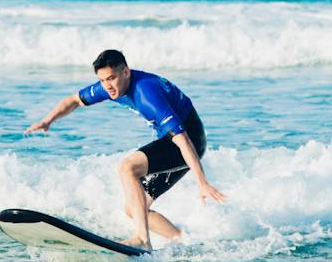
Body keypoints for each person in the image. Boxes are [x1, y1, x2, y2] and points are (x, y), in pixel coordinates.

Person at [24, 50, 225, 248]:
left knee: (128, 167)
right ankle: (184, 242)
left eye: (111, 78)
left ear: (126, 72)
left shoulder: (147, 94)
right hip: (174, 142)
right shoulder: (109, 87)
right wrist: (47, 121)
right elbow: (73, 100)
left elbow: (183, 140)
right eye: (102, 80)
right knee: (134, 209)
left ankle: (142, 239)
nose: (107, 86)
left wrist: (202, 182)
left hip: (188, 141)